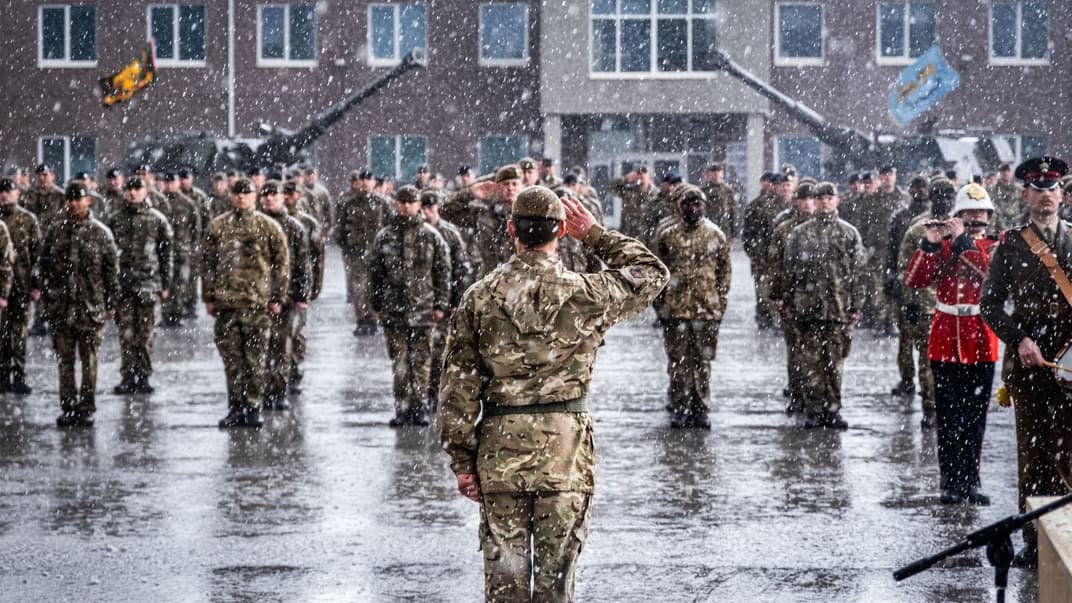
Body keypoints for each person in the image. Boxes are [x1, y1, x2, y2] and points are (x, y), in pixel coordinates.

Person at [436, 186, 668, 601]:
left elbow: (457, 387)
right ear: (560, 231)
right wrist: (594, 234)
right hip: (565, 454)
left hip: (500, 452)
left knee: (505, 584)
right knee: (556, 584)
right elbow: (653, 273)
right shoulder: (587, 293)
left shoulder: (480, 298)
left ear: (512, 230)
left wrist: (461, 461)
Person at [981, 156, 1072, 568]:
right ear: (1025, 195)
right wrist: (1019, 340)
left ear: (1062, 195)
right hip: (1031, 365)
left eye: (1052, 189)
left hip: (1070, 365)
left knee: (1069, 451)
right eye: (1038, 189)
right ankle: (1035, 542)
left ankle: (1067, 537)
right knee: (1034, 455)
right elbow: (990, 305)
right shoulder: (1011, 243)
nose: (1046, 196)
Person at [906, 183, 1000, 505]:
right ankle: (950, 480)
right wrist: (930, 244)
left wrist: (961, 240)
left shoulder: (996, 245)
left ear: (988, 216)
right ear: (958, 215)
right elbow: (915, 279)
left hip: (980, 340)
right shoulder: (945, 245)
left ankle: (971, 479)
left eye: (980, 212)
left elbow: (987, 273)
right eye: (968, 213)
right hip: (946, 341)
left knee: (975, 418)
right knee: (948, 418)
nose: (975, 217)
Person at [201, 178, 290, 429]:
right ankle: (236, 407)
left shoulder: (268, 226)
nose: (241, 197)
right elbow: (207, 264)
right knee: (232, 361)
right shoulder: (218, 227)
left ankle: (253, 406)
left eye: (246, 193)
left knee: (256, 359)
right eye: (237, 193)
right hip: (227, 305)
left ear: (255, 195)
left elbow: (281, 265)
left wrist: (277, 298)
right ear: (231, 196)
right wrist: (208, 297)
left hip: (256, 304)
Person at [781, 181, 864, 429]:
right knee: (811, 363)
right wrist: (788, 302)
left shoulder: (849, 233)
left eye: (829, 197)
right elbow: (790, 272)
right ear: (814, 202)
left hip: (838, 310)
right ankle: (815, 409)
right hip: (808, 310)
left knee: (835, 364)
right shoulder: (800, 234)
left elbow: (858, 273)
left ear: (837, 201)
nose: (824, 202)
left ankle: (833, 408)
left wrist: (856, 306)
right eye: (820, 198)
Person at [33, 181, 117, 428]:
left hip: (91, 309)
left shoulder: (101, 233)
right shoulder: (55, 232)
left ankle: (86, 407)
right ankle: (68, 407)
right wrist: (47, 300)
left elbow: (111, 272)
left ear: (88, 200)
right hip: (62, 309)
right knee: (65, 362)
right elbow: (44, 267)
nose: (74, 204)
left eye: (79, 199)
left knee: (89, 362)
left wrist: (111, 303)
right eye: (70, 199)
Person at [369, 185, 450, 426]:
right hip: (395, 311)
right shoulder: (385, 236)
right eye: (402, 201)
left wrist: (441, 304)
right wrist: (377, 304)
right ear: (396, 204)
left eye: (411, 202)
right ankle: (402, 408)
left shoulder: (431, 235)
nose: (406, 206)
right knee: (400, 363)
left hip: (424, 310)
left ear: (418, 205)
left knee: (422, 363)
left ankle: (419, 408)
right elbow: (375, 273)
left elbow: (443, 272)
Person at [652, 185, 731, 428]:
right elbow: (657, 273)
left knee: (703, 362)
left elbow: (724, 275)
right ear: (679, 206)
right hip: (675, 311)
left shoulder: (715, 236)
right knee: (678, 362)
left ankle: (700, 408)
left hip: (706, 311)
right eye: (688, 204)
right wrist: (661, 305)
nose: (693, 208)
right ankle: (680, 407)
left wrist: (718, 306)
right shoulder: (668, 235)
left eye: (698, 204)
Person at [106, 176, 173, 395]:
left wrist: (165, 283)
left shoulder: (157, 220)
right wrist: (109, 287)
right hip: (124, 285)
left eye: (137, 189)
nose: (132, 193)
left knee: (145, 335)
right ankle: (127, 376)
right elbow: (107, 255)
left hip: (149, 284)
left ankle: (143, 376)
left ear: (145, 191)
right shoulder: (115, 219)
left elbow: (166, 254)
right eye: (129, 189)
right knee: (126, 335)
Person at [258, 180, 311, 409]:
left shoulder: (294, 227)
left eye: (274, 195)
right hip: (257, 296)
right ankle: (261, 389)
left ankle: (277, 392)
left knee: (282, 346)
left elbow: (302, 264)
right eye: (266, 195)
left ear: (283, 198)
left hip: (286, 296)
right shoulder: (255, 225)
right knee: (258, 346)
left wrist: (301, 296)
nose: (269, 199)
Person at [767, 181, 818, 413]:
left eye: (811, 199)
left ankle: (817, 394)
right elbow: (775, 266)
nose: (808, 203)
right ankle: (797, 391)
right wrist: (777, 297)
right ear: (795, 201)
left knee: (820, 350)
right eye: (803, 199)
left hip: (821, 299)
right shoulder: (784, 229)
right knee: (796, 349)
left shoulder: (827, 228)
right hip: (793, 297)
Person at [420, 188, 473, 409]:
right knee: (423, 352)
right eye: (423, 208)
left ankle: (434, 391)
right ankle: (421, 395)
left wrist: (456, 301)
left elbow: (462, 269)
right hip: (421, 301)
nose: (427, 213)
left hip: (445, 301)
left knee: (440, 350)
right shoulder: (417, 233)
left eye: (431, 208)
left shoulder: (450, 234)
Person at [887, 176, 933, 398]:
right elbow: (892, 249)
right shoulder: (901, 217)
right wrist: (890, 276)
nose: (920, 191)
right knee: (905, 336)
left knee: (928, 341)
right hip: (905, 280)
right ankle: (907, 378)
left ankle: (930, 386)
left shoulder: (940, 219)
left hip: (928, 285)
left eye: (924, 187)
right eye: (916, 187)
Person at [335, 170, 390, 335]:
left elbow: (389, 227)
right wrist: (347, 247)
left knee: (375, 287)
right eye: (363, 180)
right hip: (357, 253)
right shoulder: (349, 203)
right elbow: (340, 228)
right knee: (359, 289)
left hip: (377, 254)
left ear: (374, 183)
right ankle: (362, 320)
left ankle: (374, 318)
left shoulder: (382, 203)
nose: (365, 183)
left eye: (369, 180)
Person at [0, 178, 40, 394]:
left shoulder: (28, 219)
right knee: (2, 332)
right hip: (1, 286)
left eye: (9, 191)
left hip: (22, 284)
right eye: (2, 191)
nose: (5, 195)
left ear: (17, 193)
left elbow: (37, 254)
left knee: (20, 332)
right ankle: (4, 373)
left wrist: (36, 284)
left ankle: (20, 373)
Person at [283, 180, 324, 390]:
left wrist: (315, 286)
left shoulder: (307, 223)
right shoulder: (276, 221)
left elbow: (317, 256)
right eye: (285, 193)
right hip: (280, 285)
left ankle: (295, 370)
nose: (288, 197)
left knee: (297, 331)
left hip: (300, 283)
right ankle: (279, 373)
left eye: (292, 193)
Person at [742, 172, 792, 329]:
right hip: (764, 260)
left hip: (786, 261)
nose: (785, 189)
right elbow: (748, 235)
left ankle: (780, 323)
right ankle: (766, 325)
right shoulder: (759, 205)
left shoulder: (793, 206)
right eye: (782, 185)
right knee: (764, 297)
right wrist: (756, 255)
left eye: (788, 185)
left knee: (784, 294)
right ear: (774, 186)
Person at [610, 165, 656, 239]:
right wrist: (625, 179)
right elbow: (611, 188)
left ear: (649, 176)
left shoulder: (656, 194)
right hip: (629, 235)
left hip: (648, 237)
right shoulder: (629, 191)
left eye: (644, 172)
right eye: (639, 173)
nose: (641, 175)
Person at [699, 163, 738, 238]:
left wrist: (734, 231)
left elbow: (733, 211)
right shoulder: (701, 191)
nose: (716, 175)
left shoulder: (728, 191)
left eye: (718, 172)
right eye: (713, 173)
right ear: (707, 175)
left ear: (722, 174)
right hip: (707, 228)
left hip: (724, 228)